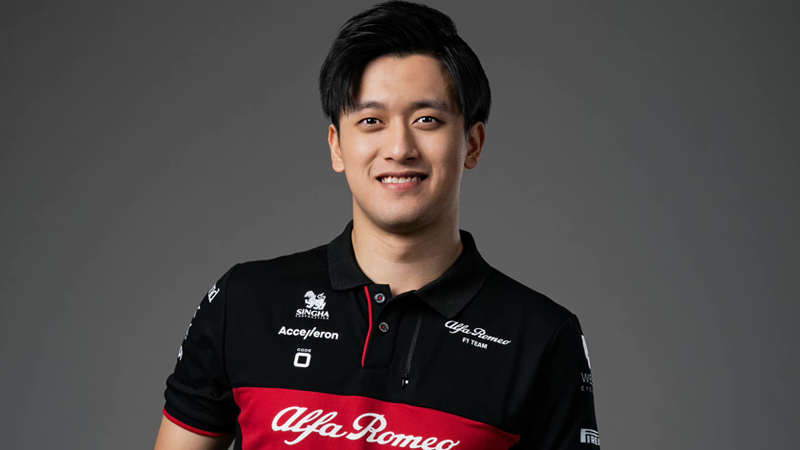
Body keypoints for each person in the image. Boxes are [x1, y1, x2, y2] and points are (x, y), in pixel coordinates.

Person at [153, 1, 600, 449]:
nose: (399, 148)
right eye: (371, 121)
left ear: (473, 143)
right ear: (337, 146)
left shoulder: (541, 337)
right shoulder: (243, 302)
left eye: (427, 120)